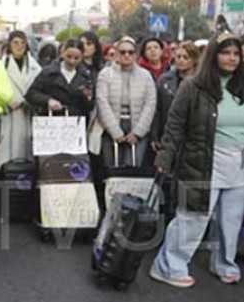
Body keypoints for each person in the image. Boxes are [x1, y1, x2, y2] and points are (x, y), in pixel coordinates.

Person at [150, 32, 244, 288]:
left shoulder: (242, 85)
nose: (232, 58)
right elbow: (175, 125)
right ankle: (168, 266)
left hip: (239, 163)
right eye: (226, 52)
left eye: (236, 53)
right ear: (214, 55)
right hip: (202, 160)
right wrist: (165, 157)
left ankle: (224, 263)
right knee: (193, 217)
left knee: (231, 219)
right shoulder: (193, 86)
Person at [96, 36, 157, 169]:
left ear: (136, 55)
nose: (127, 55)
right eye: (122, 52)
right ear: (117, 54)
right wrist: (115, 131)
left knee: (133, 169)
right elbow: (102, 103)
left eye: (131, 52)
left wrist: (138, 132)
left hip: (137, 127)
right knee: (111, 169)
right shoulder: (105, 75)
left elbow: (150, 105)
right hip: (111, 127)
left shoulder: (146, 76)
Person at [0, 30, 42, 171]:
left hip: (27, 115)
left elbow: (39, 90)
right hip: (8, 116)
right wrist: (6, 103)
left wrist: (27, 101)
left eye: (23, 43)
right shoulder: (0, 66)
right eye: (15, 43)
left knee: (27, 159)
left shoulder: (36, 67)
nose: (19, 46)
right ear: (9, 45)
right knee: (6, 157)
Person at [150, 41, 200, 152]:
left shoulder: (201, 82)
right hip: (168, 134)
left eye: (186, 57)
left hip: (192, 137)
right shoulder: (164, 80)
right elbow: (157, 109)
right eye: (178, 57)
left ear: (194, 60)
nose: (181, 60)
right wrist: (154, 136)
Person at [26, 39, 94, 120]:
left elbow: (90, 107)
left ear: (82, 57)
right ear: (63, 53)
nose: (72, 61)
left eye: (76, 58)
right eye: (69, 56)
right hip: (50, 120)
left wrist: (88, 98)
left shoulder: (86, 76)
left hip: (75, 122)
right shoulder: (48, 73)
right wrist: (48, 100)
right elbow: (31, 94)